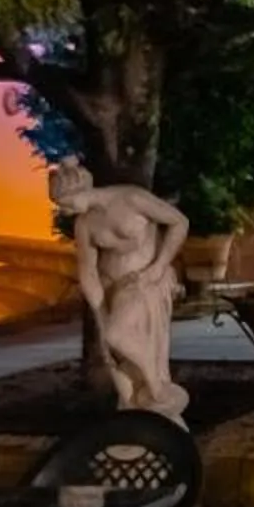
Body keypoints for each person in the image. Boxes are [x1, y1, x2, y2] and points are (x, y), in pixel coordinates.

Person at [51, 163, 190, 421]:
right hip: (110, 288)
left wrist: (159, 267)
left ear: (80, 190)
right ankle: (135, 421)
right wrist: (100, 312)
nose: (62, 210)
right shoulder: (84, 224)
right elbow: (88, 272)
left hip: (143, 282)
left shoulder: (132, 199)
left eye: (64, 202)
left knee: (117, 335)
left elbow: (179, 222)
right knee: (118, 366)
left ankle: (157, 387)